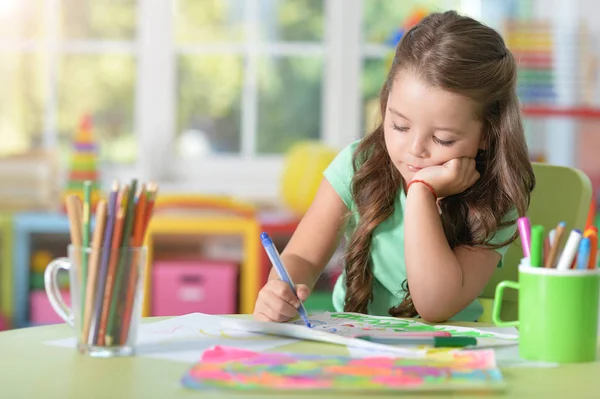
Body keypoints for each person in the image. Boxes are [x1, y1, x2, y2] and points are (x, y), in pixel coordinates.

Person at [253, 10, 535, 323]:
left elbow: (434, 306)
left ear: (487, 134)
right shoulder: (356, 165)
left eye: (442, 139)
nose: (415, 150)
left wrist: (420, 194)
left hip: (449, 352)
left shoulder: (495, 199)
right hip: (354, 345)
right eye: (400, 126)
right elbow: (303, 256)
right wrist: (279, 289)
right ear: (386, 102)